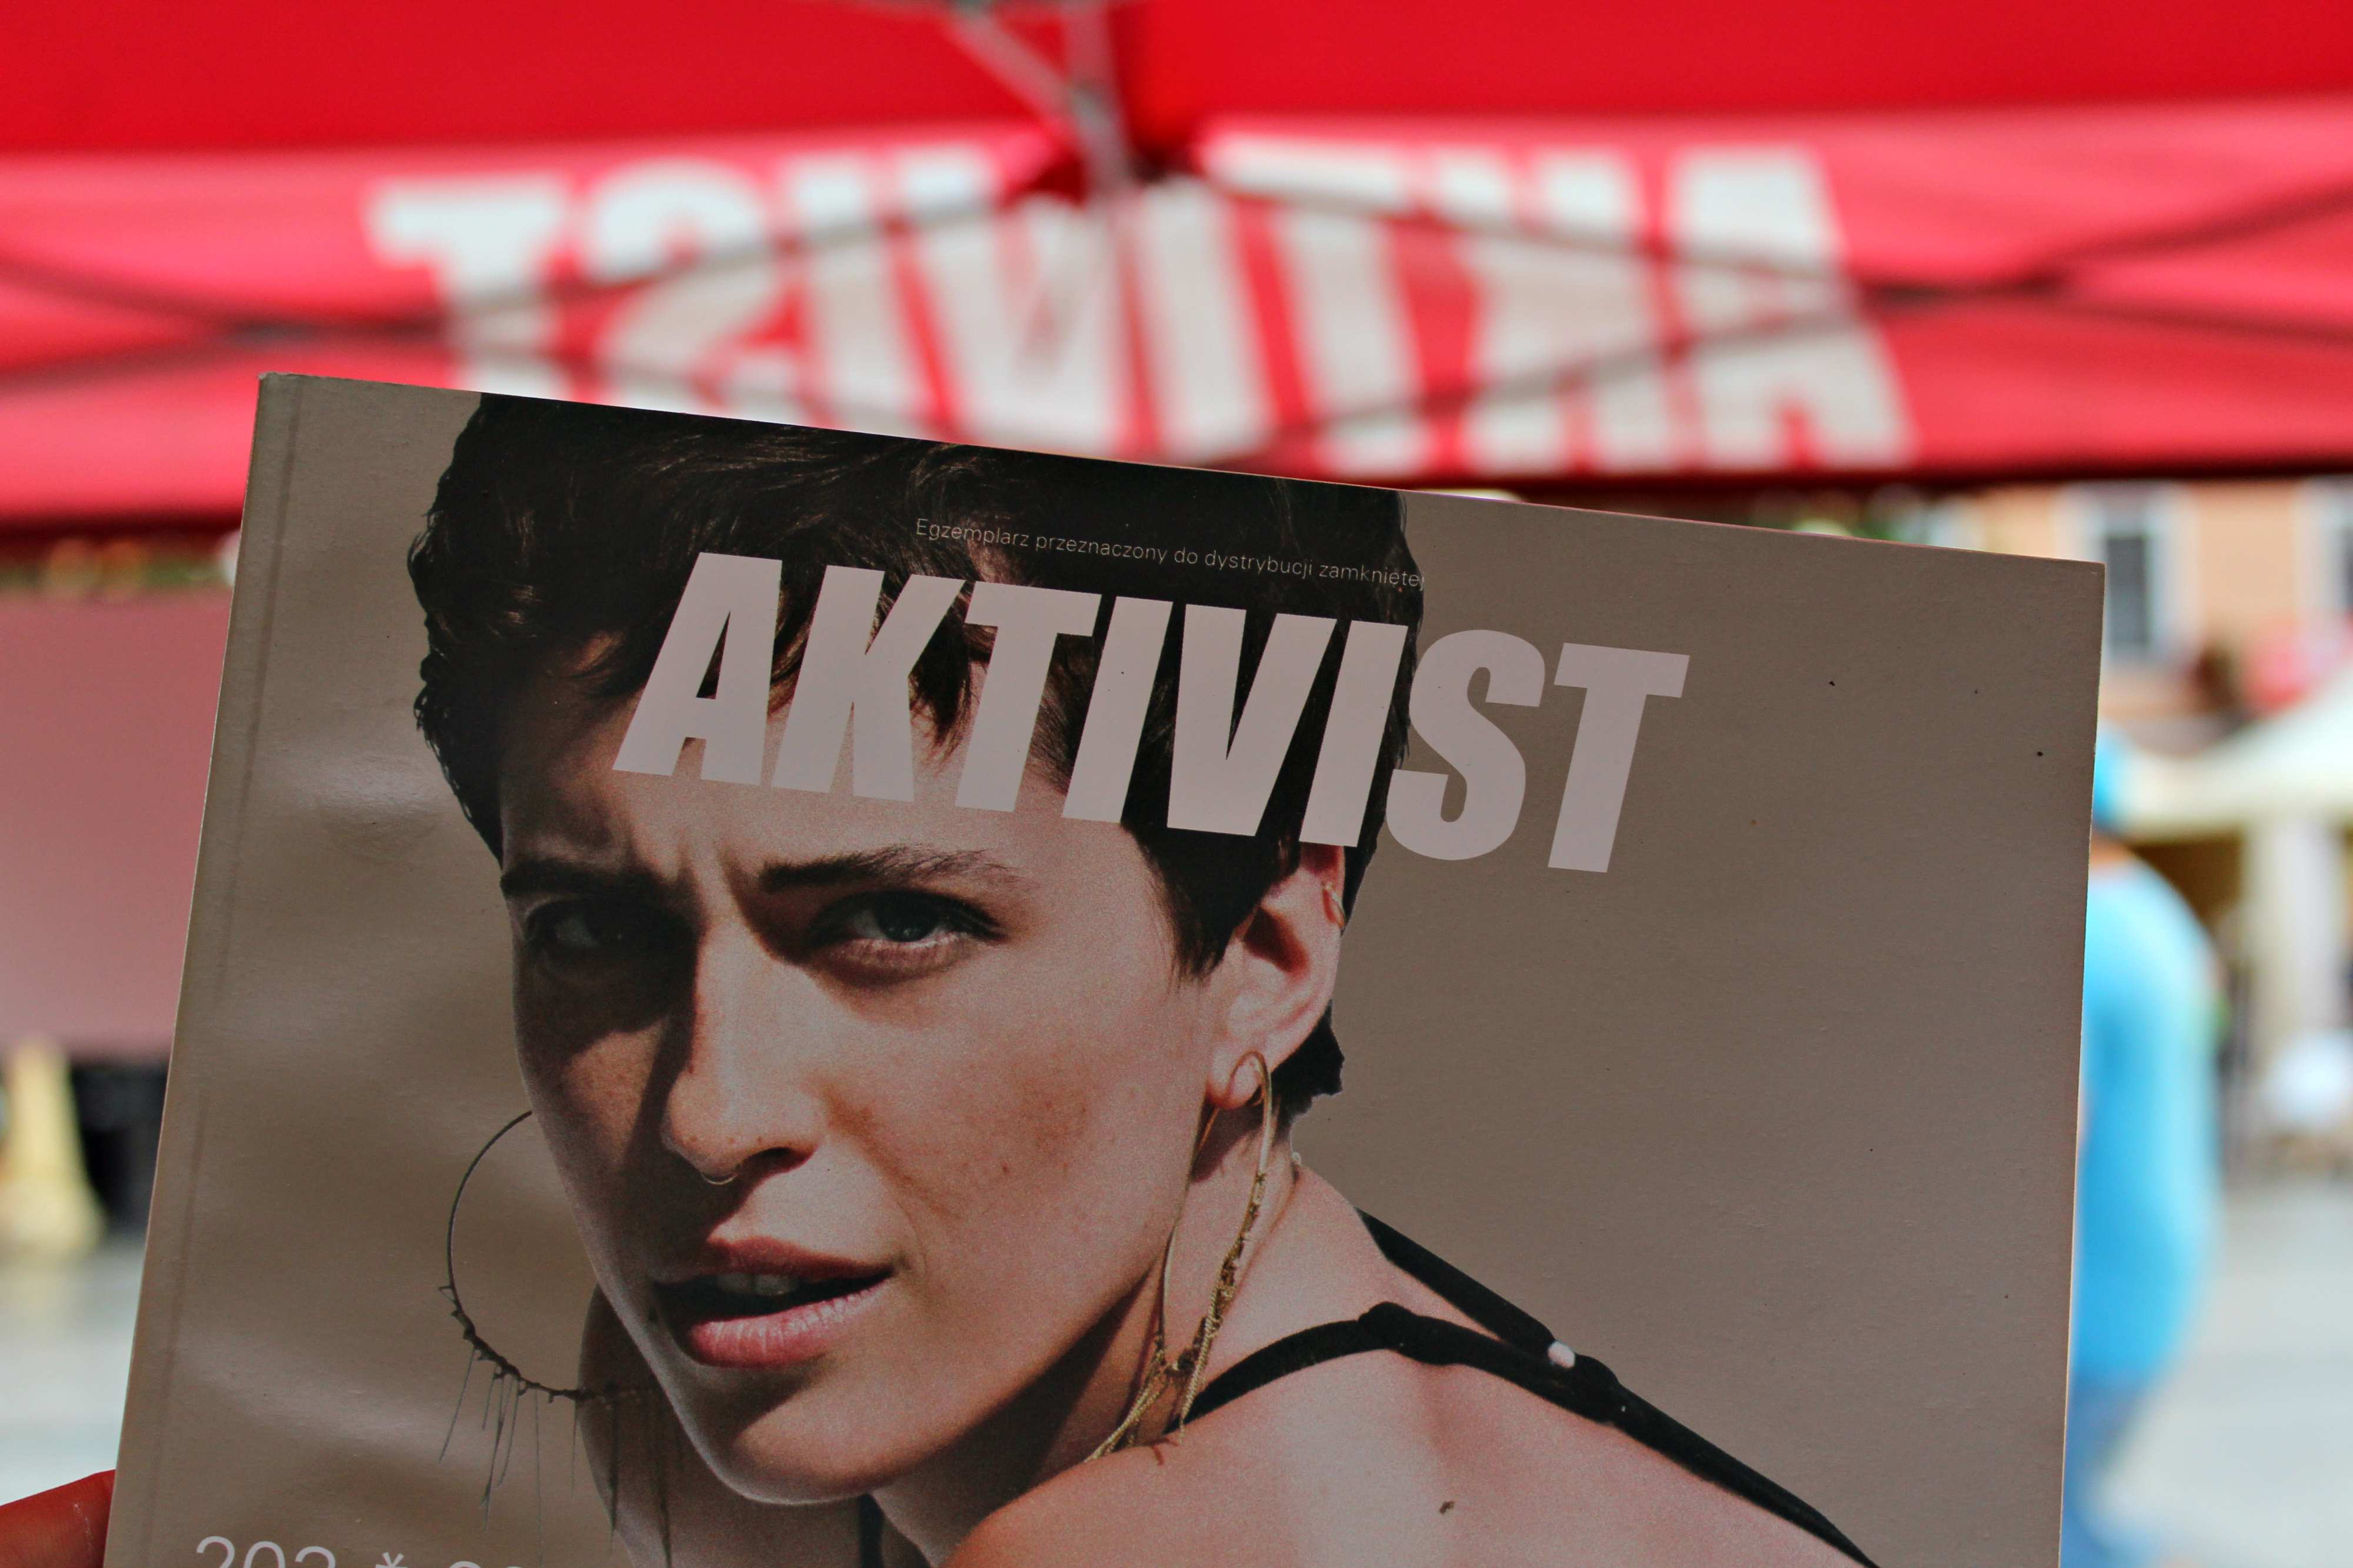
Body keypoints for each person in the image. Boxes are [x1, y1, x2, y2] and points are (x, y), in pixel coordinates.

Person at [409, 398, 1874, 1567]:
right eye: (589, 932)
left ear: (1261, 956)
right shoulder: (732, 1406)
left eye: (894, 922)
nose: (707, 1118)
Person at [2064, 736, 2224, 1568]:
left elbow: (2061, 1128)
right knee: (2082, 1516)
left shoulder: (2077, 933)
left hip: (2093, 1294)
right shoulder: (2162, 911)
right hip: (2160, 1276)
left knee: (2059, 1530)